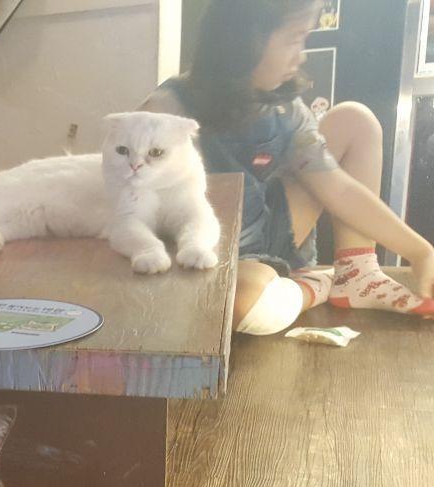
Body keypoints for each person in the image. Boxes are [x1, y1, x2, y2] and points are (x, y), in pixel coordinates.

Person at [142, 0, 434, 335]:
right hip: (219, 258)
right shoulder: (166, 110)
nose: (302, 56)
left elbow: (337, 187)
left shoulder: (284, 107)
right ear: (245, 39)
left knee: (354, 119)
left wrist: (420, 251)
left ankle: (357, 275)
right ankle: (316, 287)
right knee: (232, 303)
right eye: (295, 39)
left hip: (272, 232)